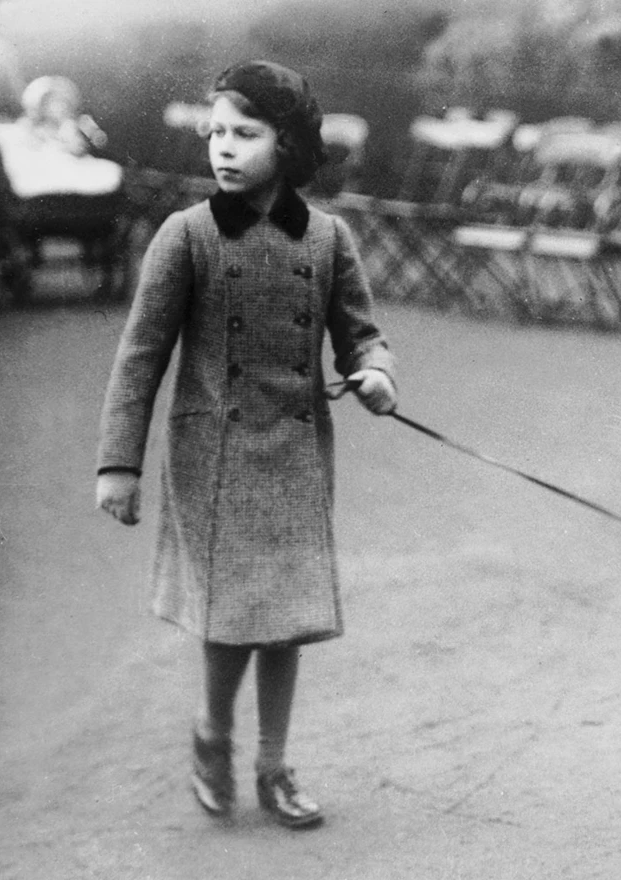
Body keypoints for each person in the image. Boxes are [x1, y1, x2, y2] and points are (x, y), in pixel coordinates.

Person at [96, 61, 398, 829]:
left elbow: (363, 337)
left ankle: (273, 764)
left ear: (289, 144)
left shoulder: (327, 239)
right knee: (231, 619)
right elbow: (140, 356)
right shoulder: (186, 236)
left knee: (286, 617)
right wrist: (118, 463)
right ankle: (214, 730)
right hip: (215, 458)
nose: (223, 148)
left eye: (245, 133)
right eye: (217, 133)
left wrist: (376, 376)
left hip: (295, 455)